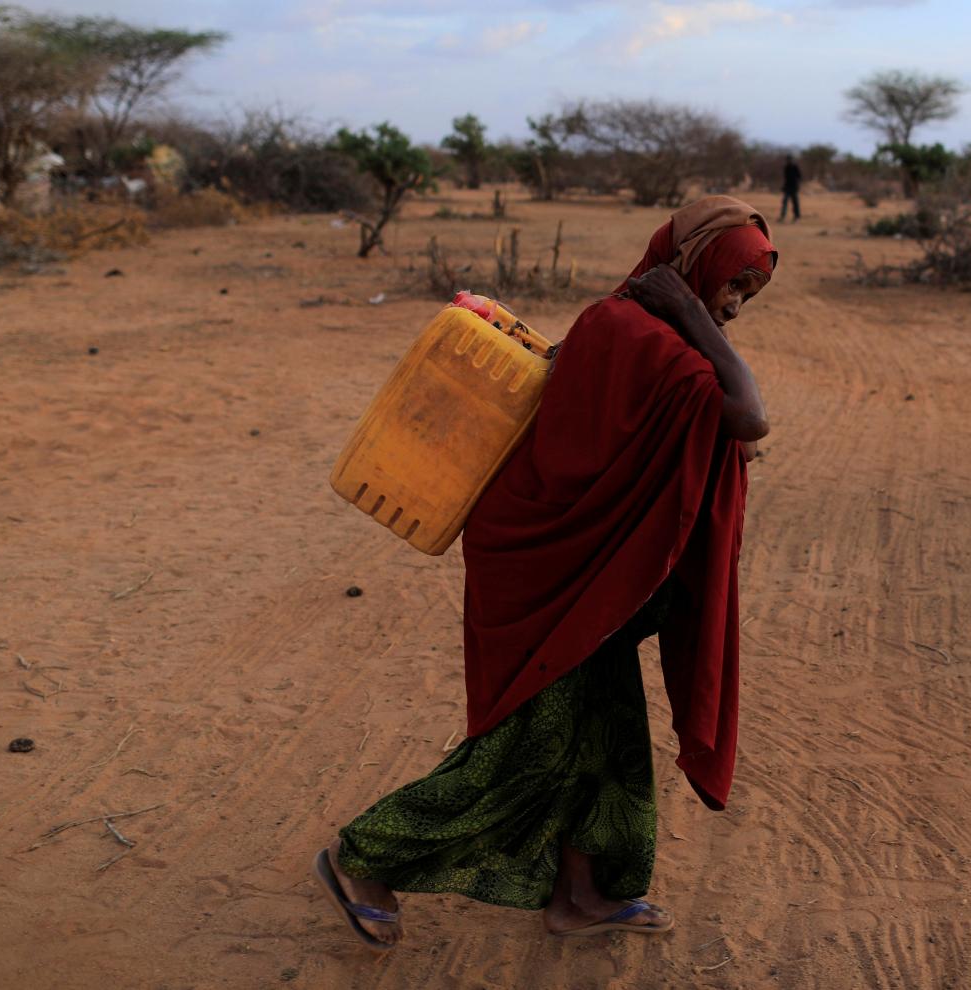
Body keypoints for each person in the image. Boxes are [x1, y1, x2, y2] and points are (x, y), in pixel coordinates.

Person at [312, 196, 777, 950]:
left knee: (611, 737)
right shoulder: (635, 332)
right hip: (548, 568)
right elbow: (748, 416)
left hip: (597, 577)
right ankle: (363, 860)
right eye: (730, 286)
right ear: (691, 268)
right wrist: (694, 316)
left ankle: (581, 893)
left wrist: (693, 317)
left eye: (747, 296)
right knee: (529, 746)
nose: (734, 307)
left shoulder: (649, 333)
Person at [780, 154, 802, 222]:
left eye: (790, 160)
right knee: (785, 202)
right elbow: (786, 178)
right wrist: (784, 186)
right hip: (787, 187)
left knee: (795, 203)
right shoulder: (786, 167)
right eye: (788, 160)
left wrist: (797, 185)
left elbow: (799, 177)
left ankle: (797, 217)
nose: (789, 161)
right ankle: (782, 217)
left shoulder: (795, 167)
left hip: (794, 188)